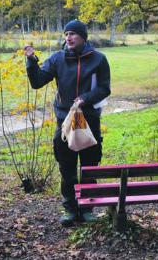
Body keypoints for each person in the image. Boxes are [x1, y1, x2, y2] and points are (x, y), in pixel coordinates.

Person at [24, 19, 111, 227]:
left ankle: (87, 209)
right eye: (66, 34)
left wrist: (85, 98)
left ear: (83, 36)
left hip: (89, 120)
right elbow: (37, 82)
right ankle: (70, 209)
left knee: (90, 167)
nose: (68, 37)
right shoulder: (57, 59)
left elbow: (104, 89)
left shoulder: (98, 59)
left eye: (73, 34)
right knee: (67, 168)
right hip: (65, 122)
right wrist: (31, 61)